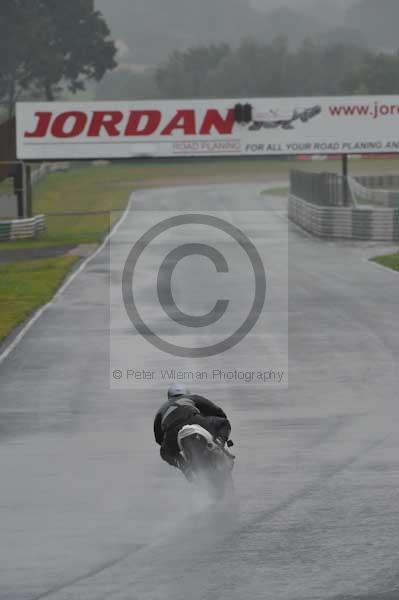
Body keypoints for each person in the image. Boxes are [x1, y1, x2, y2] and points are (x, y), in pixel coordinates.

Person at [154, 383, 232, 472]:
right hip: (193, 420)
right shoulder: (191, 398)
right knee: (224, 423)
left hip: (171, 433)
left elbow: (158, 438)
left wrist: (169, 445)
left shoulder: (161, 409)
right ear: (186, 392)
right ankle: (219, 441)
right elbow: (216, 410)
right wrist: (218, 424)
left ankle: (185, 467)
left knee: (165, 453)